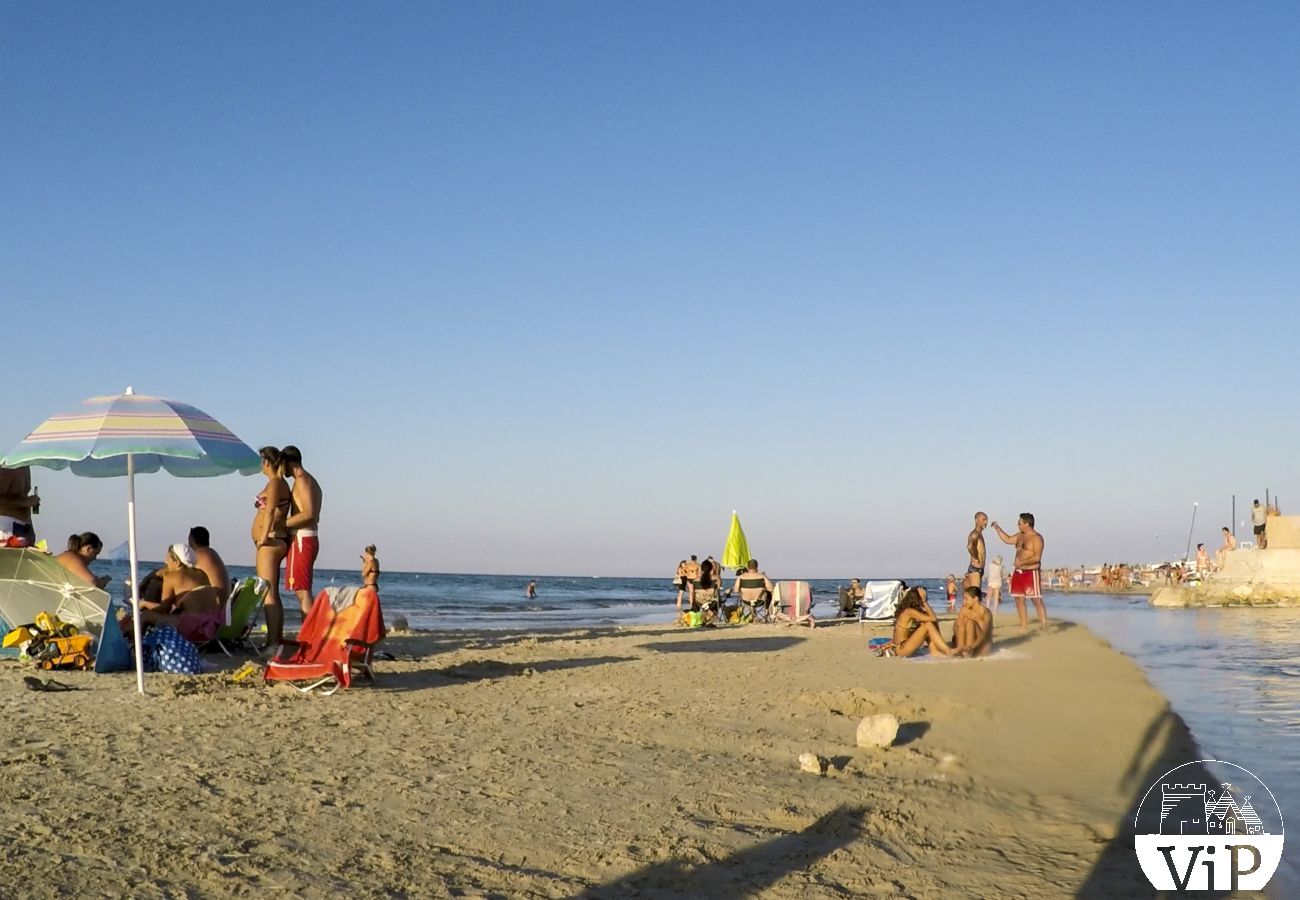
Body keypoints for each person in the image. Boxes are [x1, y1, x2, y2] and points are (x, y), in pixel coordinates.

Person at [136, 543, 224, 643]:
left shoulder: (172, 578)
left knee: (146, 616)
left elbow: (164, 609)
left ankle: (138, 646)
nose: (165, 562)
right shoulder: (201, 573)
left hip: (195, 630)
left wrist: (143, 604)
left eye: (168, 560)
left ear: (177, 562)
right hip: (213, 628)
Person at [252, 446, 290, 649]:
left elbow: (271, 511)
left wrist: (264, 537)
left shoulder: (275, 482)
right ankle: (276, 639)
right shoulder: (275, 483)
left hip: (272, 540)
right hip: (272, 540)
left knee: (269, 592)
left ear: (266, 462)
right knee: (271, 591)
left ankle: (273, 642)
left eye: (261, 461)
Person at [281, 445, 322, 616]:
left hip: (302, 539)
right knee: (302, 590)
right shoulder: (309, 480)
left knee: (302, 591)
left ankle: (311, 635)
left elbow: (310, 514)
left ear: (288, 462)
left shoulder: (303, 481)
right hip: (305, 539)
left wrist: (282, 524)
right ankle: (309, 633)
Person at [992, 513, 1046, 631]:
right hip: (1018, 571)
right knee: (1018, 598)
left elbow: (1037, 557)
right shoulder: (1020, 536)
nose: (1018, 525)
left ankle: (1044, 625)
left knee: (1035, 599)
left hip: (1031, 571)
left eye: (1020, 523)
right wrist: (997, 528)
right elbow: (1007, 539)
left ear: (1027, 524)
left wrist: (1022, 562)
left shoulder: (1037, 538)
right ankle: (1023, 625)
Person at [887, 587, 954, 658]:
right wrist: (925, 601)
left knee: (929, 622)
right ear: (918, 599)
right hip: (902, 649)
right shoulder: (909, 611)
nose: (926, 598)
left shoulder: (912, 611)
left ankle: (934, 650)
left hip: (905, 646)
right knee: (928, 625)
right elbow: (933, 618)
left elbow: (933, 619)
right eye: (923, 597)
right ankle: (947, 650)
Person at [188, 526, 230, 601]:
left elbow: (181, 573)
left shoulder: (198, 555)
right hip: (221, 604)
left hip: (213, 605)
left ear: (192, 540)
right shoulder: (211, 553)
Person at [0, 465, 39, 545]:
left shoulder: (25, 464)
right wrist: (24, 502)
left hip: (22, 525)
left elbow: (23, 495)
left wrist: (30, 527)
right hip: (7, 526)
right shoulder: (7, 465)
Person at [952, 586, 993, 657]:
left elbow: (984, 634)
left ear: (975, 599)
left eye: (966, 599)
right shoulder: (964, 610)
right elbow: (958, 628)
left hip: (982, 645)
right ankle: (961, 648)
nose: (964, 602)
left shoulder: (985, 612)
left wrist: (971, 647)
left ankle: (969, 650)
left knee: (970, 622)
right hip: (967, 643)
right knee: (958, 623)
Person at [688, 558, 720, 623]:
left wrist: (692, 604)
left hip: (699, 602)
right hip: (711, 603)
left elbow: (692, 593)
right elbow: (718, 590)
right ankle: (710, 617)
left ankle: (703, 616)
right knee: (717, 598)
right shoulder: (716, 578)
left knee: (696, 597)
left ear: (701, 569)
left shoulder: (695, 580)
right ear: (711, 568)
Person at [964, 511, 988, 591]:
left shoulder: (980, 534)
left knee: (975, 596)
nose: (986, 522)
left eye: (986, 520)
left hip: (979, 569)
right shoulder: (975, 534)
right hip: (975, 569)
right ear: (977, 520)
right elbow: (970, 546)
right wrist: (976, 557)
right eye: (983, 520)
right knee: (975, 597)